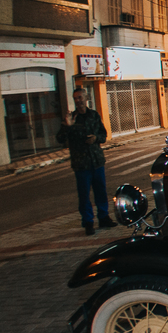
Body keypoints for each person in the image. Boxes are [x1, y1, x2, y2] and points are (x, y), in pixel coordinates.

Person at [57, 87, 118, 236]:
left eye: (80, 97)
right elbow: (60, 139)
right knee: (84, 195)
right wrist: (67, 127)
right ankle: (88, 222)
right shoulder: (71, 118)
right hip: (81, 164)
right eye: (75, 98)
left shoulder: (94, 115)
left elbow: (103, 135)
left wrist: (95, 138)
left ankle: (103, 217)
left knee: (101, 192)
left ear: (86, 98)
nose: (78, 101)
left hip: (96, 161)